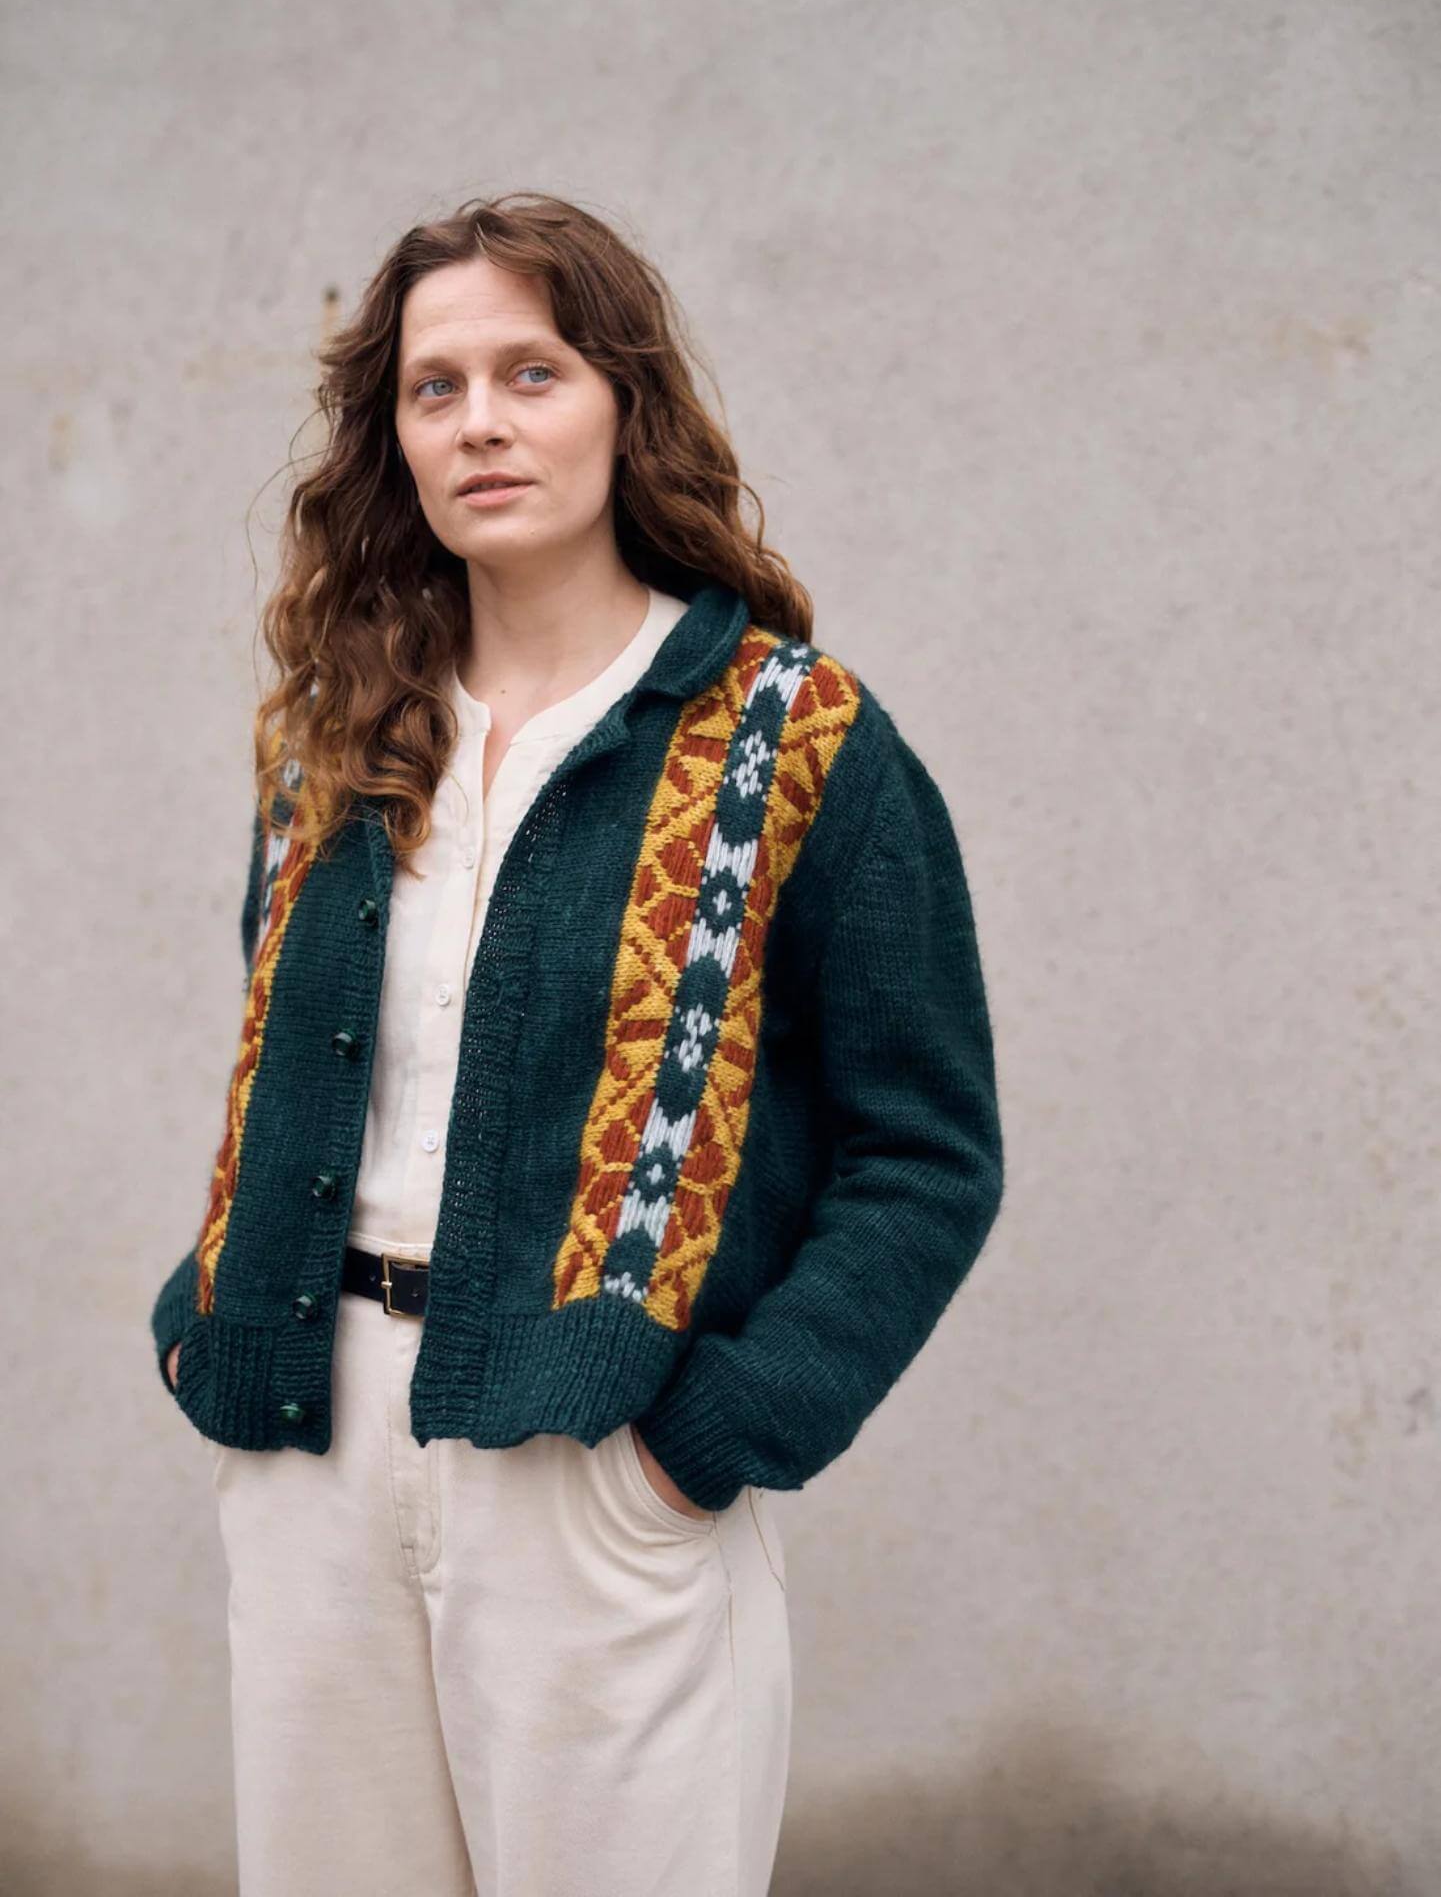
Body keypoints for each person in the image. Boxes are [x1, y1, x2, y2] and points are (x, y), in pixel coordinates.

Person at [152, 190, 1005, 1897]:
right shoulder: (333, 745)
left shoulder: (789, 740)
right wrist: (203, 1323)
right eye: (435, 387)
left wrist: (710, 1443)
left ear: (624, 401)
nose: (480, 421)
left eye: (530, 373)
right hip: (312, 1452)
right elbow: (293, 1078)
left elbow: (926, 1152)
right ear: (394, 440)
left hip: (596, 1464)